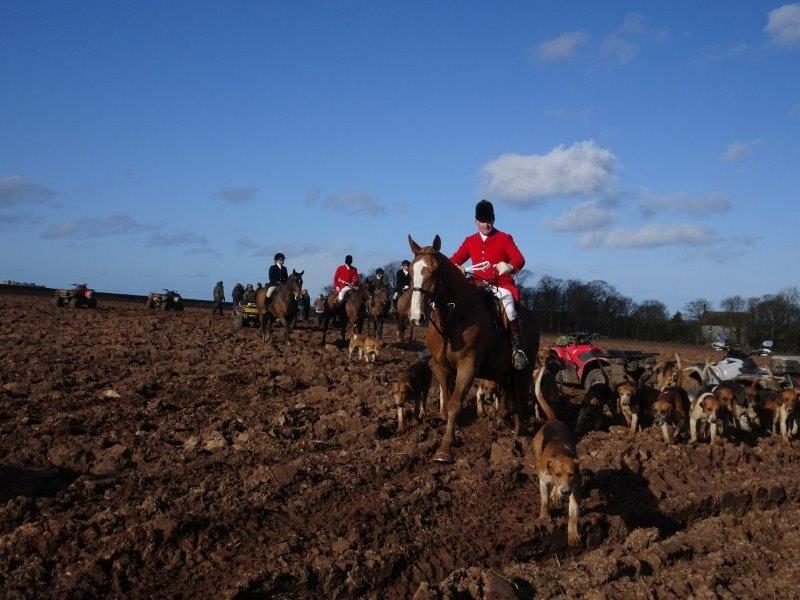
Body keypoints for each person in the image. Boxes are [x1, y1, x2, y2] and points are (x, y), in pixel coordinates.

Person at [450, 199, 529, 370]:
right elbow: (454, 260)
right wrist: (457, 267)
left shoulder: (504, 238)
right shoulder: (469, 241)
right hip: (476, 285)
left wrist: (509, 266)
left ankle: (517, 349)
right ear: (476, 221)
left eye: (490, 220)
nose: (487, 224)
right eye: (483, 221)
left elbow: (519, 259)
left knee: (510, 308)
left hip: (500, 285)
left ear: (494, 219)